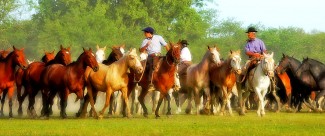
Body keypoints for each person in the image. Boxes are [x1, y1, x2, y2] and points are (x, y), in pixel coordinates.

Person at [140, 27, 169, 92]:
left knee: (169, 64)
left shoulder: (159, 37)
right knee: (152, 65)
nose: (144, 34)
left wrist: (169, 54)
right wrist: (146, 45)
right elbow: (141, 50)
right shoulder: (145, 41)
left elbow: (166, 45)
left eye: (145, 32)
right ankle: (151, 83)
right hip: (151, 56)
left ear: (149, 33)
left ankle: (173, 82)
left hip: (159, 55)